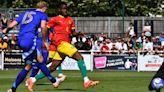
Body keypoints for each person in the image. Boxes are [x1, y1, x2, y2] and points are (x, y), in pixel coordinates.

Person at [28, 2, 99, 89]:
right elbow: (46, 28)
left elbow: (72, 33)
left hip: (65, 44)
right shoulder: (55, 19)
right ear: (59, 10)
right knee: (79, 57)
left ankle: (32, 80)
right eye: (64, 9)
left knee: (53, 67)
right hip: (61, 43)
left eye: (67, 9)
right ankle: (86, 81)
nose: (66, 10)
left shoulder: (70, 20)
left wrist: (78, 33)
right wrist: (44, 40)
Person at [2, 1, 60, 92]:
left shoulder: (25, 13)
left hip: (20, 40)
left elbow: (13, 24)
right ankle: (53, 80)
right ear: (44, 8)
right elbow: (44, 27)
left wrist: (6, 29)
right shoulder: (42, 15)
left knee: (28, 65)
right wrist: (45, 41)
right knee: (40, 60)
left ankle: (13, 88)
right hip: (30, 39)